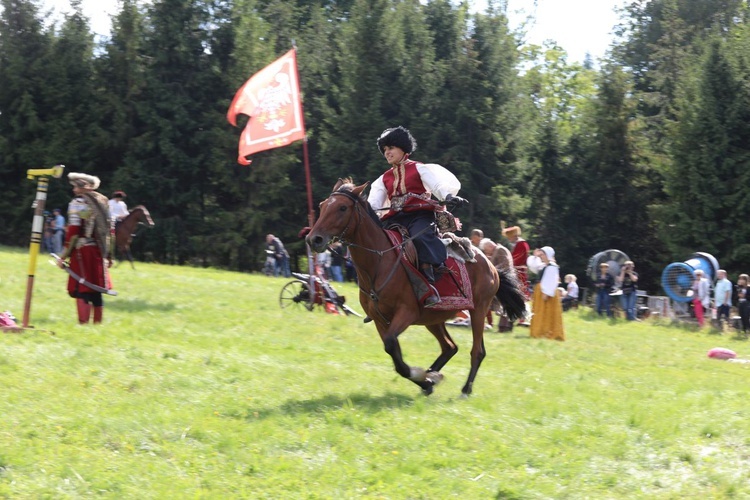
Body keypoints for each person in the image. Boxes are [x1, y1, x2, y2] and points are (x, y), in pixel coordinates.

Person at [367, 126, 466, 307]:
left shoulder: (419, 169)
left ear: (403, 147)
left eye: (391, 148)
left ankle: (429, 280)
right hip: (393, 219)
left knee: (419, 236)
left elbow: (436, 186)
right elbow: (374, 204)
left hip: (419, 216)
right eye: (385, 150)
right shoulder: (382, 179)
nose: (387, 153)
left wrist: (449, 197)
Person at [55, 172, 113, 324]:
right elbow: (110, 231)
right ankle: (97, 325)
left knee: (82, 288)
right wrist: (108, 255)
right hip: (99, 252)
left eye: (75, 187)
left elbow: (73, 233)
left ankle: (83, 324)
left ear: (82, 187)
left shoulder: (78, 203)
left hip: (83, 252)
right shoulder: (103, 201)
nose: (74, 190)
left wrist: (63, 256)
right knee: (96, 290)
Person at [527, 246, 565, 340]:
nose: (541, 256)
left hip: (546, 292)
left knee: (547, 312)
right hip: (541, 290)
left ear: (548, 255)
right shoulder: (544, 265)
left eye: (542, 254)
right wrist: (535, 257)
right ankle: (539, 332)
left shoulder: (552, 266)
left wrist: (546, 293)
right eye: (540, 254)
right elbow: (532, 267)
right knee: (539, 311)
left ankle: (547, 332)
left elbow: (552, 280)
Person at [503, 225, 530, 300]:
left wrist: (506, 262)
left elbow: (516, 258)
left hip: (519, 272)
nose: (508, 239)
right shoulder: (517, 244)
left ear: (514, 236)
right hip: (516, 270)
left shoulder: (521, 244)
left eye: (509, 237)